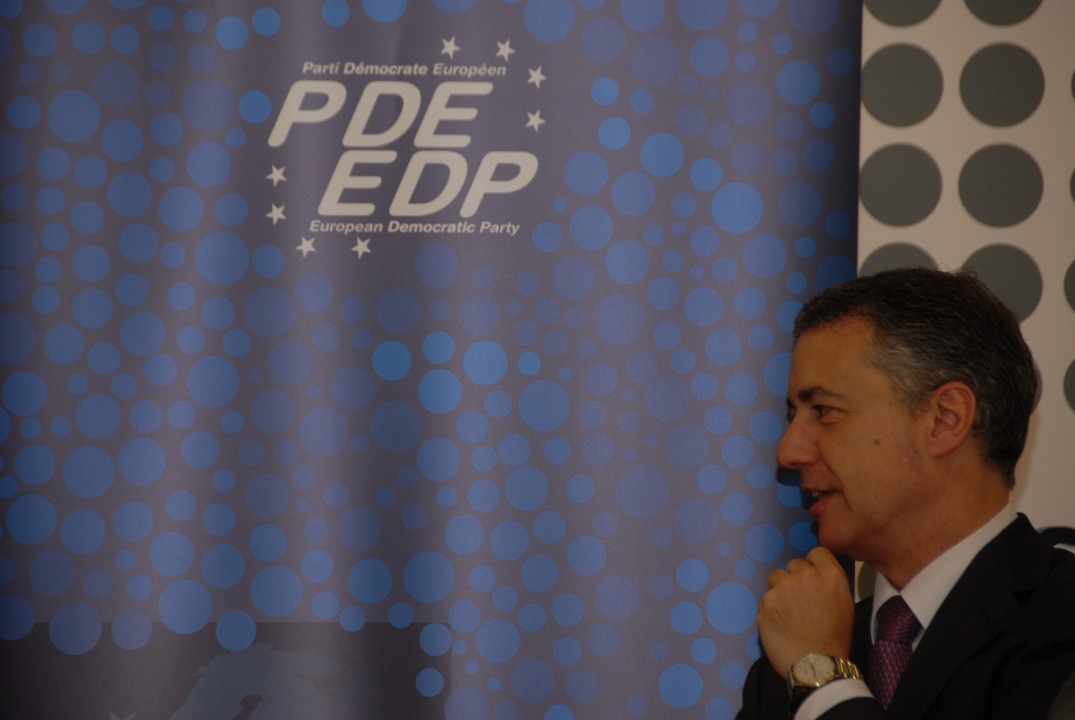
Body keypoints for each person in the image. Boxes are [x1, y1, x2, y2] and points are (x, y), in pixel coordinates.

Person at [735, 267, 1075, 719]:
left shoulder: (1062, 624)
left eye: (824, 410)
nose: (788, 452)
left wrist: (825, 682)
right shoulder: (788, 664)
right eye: (793, 414)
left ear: (945, 419)